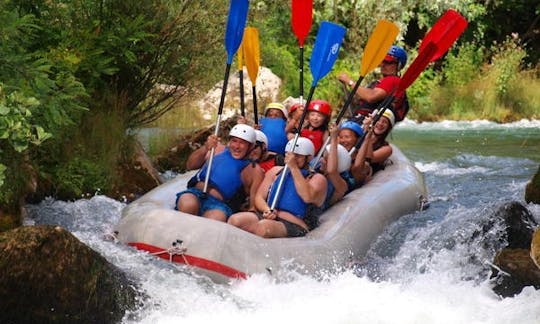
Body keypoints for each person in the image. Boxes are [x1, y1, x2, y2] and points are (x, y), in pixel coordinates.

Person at [227, 137, 327, 238]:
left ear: (308, 158)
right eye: (291, 156)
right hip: (270, 216)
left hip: (297, 225)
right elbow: (259, 197)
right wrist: (266, 209)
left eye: (298, 156)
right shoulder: (276, 172)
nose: (293, 159)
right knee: (235, 220)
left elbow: (307, 196)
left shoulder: (317, 178)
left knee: (263, 227)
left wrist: (293, 167)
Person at [176, 124, 263, 222]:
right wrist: (206, 148)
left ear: (251, 146)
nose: (237, 146)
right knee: (188, 204)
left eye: (242, 143)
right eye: (234, 141)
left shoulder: (254, 171)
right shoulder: (217, 149)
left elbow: (253, 207)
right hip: (196, 193)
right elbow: (190, 165)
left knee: (216, 218)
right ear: (230, 141)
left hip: (220, 205)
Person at [338, 45, 409, 122]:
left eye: (388, 62)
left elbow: (371, 97)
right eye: (382, 60)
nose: (383, 65)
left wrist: (349, 81)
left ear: (398, 66)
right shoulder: (384, 82)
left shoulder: (392, 80)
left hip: (367, 125)